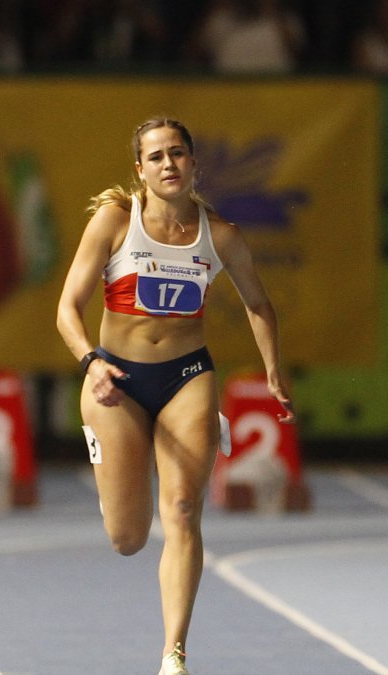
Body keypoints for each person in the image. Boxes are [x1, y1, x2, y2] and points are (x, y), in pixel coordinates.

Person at [55, 117, 293, 675]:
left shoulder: (220, 235)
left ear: (193, 162)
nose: (169, 164)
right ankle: (117, 489)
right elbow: (67, 308)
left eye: (178, 153)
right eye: (157, 156)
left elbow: (258, 304)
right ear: (140, 169)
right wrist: (90, 362)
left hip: (187, 377)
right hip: (115, 382)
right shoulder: (115, 221)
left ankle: (174, 654)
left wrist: (273, 371)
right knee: (128, 538)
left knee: (184, 509)